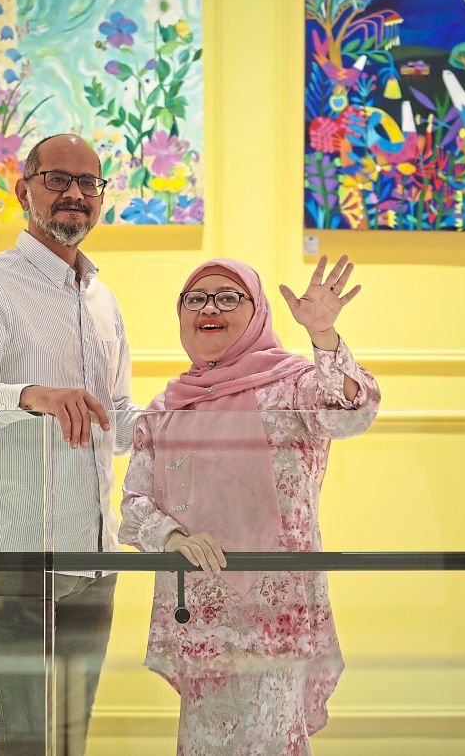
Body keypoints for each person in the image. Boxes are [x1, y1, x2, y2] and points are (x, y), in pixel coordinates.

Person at [0, 133, 136, 756]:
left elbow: (114, 420)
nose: (74, 194)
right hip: (11, 559)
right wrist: (29, 395)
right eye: (58, 180)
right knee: (22, 747)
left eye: (88, 184)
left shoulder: (102, 300)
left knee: (67, 748)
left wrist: (196, 418)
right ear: (25, 191)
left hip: (93, 561)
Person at [119, 255, 381, 756]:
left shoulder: (292, 385)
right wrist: (174, 539)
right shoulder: (165, 409)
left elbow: (351, 414)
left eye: (227, 297)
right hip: (199, 613)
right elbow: (135, 503)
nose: (208, 307)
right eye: (195, 298)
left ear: (257, 311)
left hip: (273, 612)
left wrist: (324, 335)